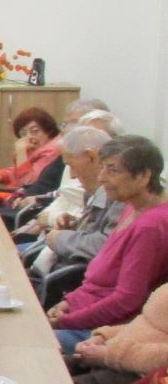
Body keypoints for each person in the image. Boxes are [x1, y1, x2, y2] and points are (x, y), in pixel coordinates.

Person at [49, 136, 168, 353]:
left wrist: (68, 320)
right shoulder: (131, 207)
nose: (101, 178)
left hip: (101, 331)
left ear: (143, 176)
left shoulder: (151, 226)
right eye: (102, 168)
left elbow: (127, 300)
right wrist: (69, 302)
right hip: (80, 312)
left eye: (112, 170)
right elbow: (100, 281)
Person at [21, 125, 120, 282]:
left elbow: (108, 246)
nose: (72, 175)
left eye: (72, 166)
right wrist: (74, 228)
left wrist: (61, 238)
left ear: (91, 156)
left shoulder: (118, 196)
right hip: (55, 272)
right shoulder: (95, 192)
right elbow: (92, 233)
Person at [14, 105, 121, 233]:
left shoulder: (114, 184)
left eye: (96, 135)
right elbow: (63, 200)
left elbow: (99, 240)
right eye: (67, 123)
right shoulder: (73, 159)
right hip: (52, 231)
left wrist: (52, 223)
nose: (72, 175)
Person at [72, 283, 168, 384]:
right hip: (109, 356)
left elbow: (164, 358)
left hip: (138, 376)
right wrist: (102, 337)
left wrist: (108, 355)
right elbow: (144, 323)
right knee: (48, 368)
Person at [0, 107, 63, 205]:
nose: (28, 137)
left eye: (34, 131)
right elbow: (19, 173)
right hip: (20, 199)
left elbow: (28, 183)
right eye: (23, 133)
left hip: (33, 204)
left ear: (48, 130)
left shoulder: (52, 151)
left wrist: (21, 153)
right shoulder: (37, 148)